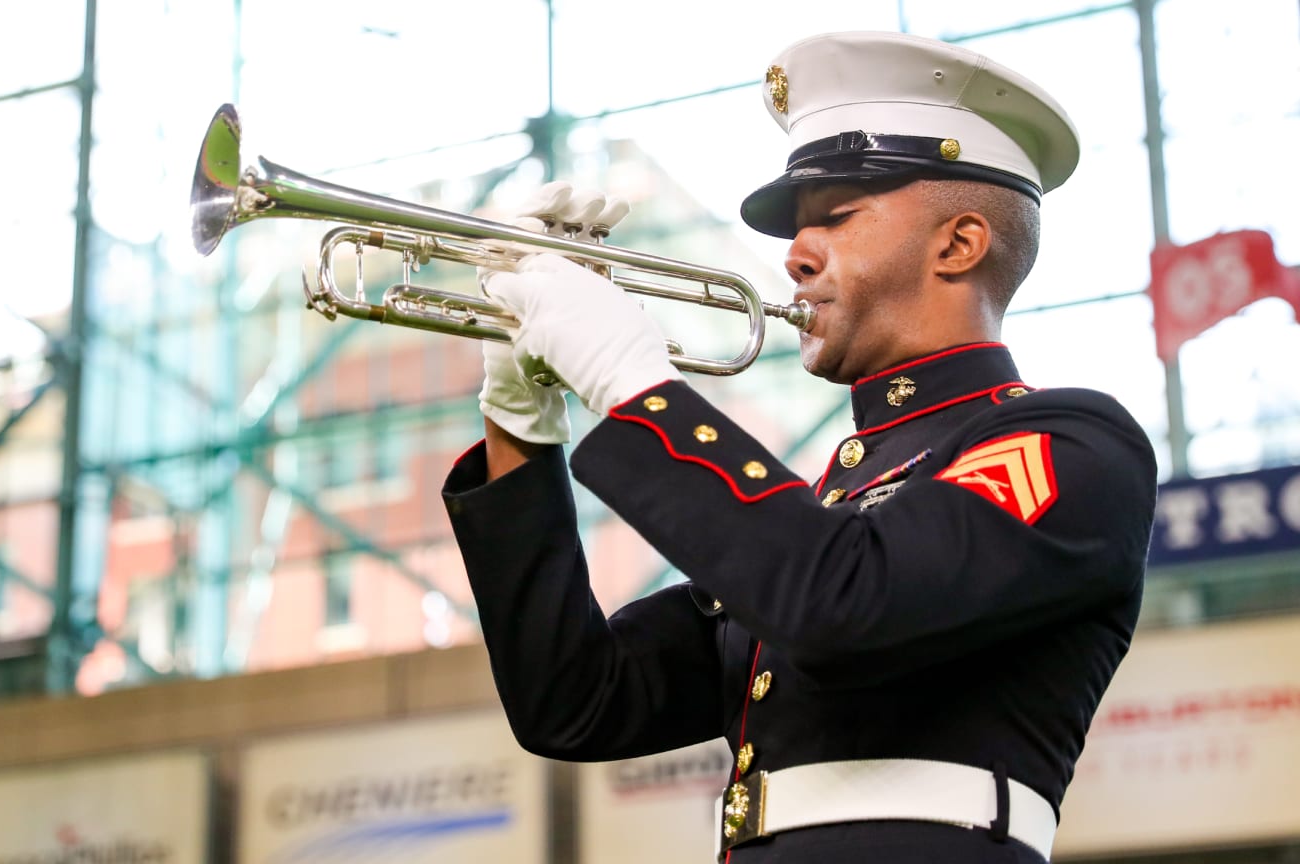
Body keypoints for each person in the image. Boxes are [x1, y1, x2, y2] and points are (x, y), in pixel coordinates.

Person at [442, 30, 1157, 863]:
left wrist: (630, 380)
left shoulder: (1074, 443)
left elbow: (841, 603)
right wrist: (519, 420)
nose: (795, 256)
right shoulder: (818, 516)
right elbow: (575, 700)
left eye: (837, 219)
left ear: (958, 244)